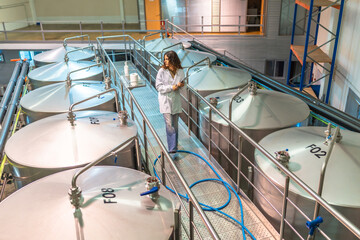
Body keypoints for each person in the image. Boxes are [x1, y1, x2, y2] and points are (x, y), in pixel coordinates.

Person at [155, 50, 185, 155]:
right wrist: (171, 87)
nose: (165, 61)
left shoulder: (180, 71)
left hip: (175, 100)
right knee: (169, 124)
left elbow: (182, 84)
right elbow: (158, 87)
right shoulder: (162, 71)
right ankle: (172, 148)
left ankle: (174, 145)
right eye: (165, 59)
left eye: (167, 59)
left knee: (175, 124)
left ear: (173, 60)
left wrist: (181, 85)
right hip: (165, 100)